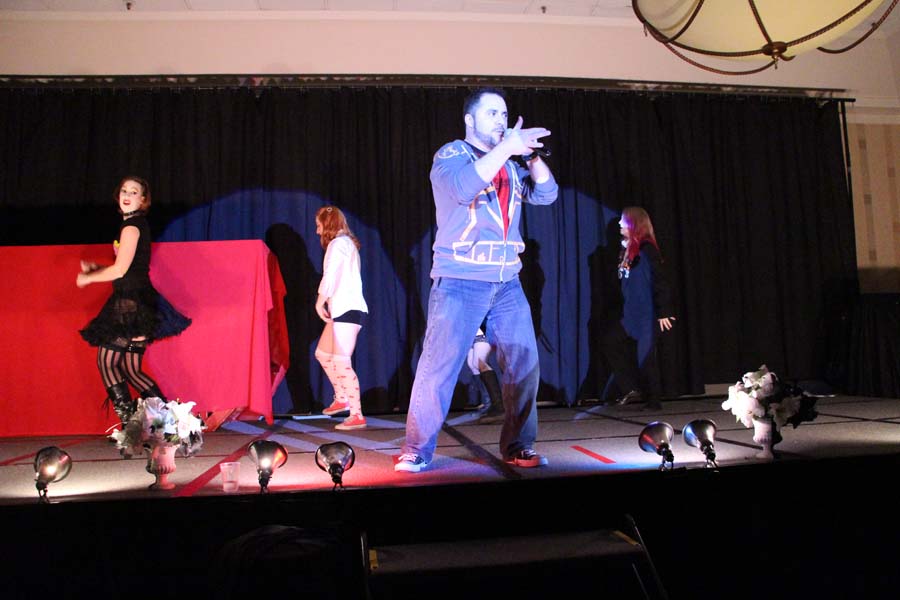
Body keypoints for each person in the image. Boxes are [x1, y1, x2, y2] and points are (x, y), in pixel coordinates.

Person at [395, 87, 558, 473]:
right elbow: (462, 188)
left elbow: (547, 194)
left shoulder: (511, 165)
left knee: (524, 362)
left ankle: (518, 445)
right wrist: (507, 149)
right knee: (439, 367)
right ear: (470, 120)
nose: (501, 121)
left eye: (504, 114)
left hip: (507, 281)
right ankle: (416, 449)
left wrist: (530, 156)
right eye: (491, 114)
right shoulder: (452, 154)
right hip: (460, 279)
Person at [77, 176, 191, 439]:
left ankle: (133, 427)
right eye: (124, 191)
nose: (127, 195)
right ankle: (170, 424)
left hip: (131, 301)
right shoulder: (133, 225)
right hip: (136, 298)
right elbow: (130, 267)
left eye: (134, 192)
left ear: (143, 200)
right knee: (130, 368)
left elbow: (121, 270)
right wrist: (97, 269)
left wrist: (89, 278)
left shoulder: (131, 227)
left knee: (107, 362)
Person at [601, 207, 675, 411]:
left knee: (647, 358)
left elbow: (660, 281)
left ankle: (654, 401)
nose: (619, 224)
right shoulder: (626, 250)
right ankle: (630, 388)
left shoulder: (647, 249)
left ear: (634, 224)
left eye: (624, 221)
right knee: (610, 342)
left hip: (646, 314)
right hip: (630, 314)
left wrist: (663, 311)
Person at [314, 206, 369, 431]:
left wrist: (320, 301)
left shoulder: (338, 245)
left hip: (348, 309)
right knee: (323, 354)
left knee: (341, 361)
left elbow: (330, 275)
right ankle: (342, 397)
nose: (317, 231)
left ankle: (356, 414)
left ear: (327, 225)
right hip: (341, 309)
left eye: (319, 226)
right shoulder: (344, 244)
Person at [464, 327, 505, 423]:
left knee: (479, 362)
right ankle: (489, 403)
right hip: (472, 334)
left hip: (481, 332)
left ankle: (498, 406)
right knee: (473, 364)